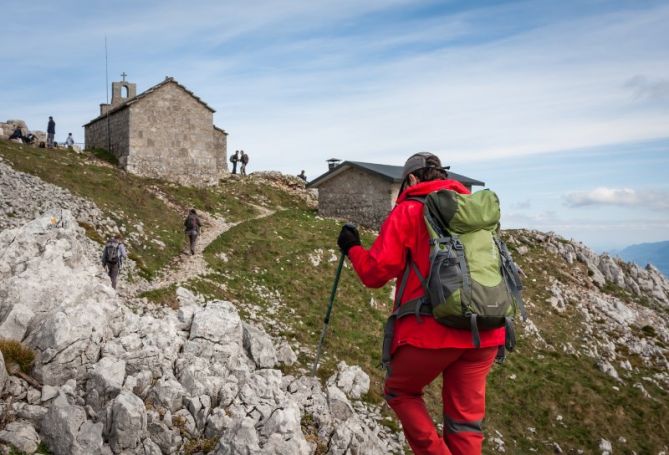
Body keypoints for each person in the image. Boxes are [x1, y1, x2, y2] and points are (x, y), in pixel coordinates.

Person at [337, 152, 505, 455]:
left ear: (412, 179)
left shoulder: (409, 211)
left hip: (431, 332)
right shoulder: (475, 214)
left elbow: (375, 273)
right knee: (465, 422)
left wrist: (352, 248)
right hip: (485, 330)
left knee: (401, 391)